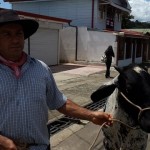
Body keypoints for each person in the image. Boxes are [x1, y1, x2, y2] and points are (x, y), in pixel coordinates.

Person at [0, 9, 113, 150]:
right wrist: (3, 142)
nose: (15, 40)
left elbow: (60, 102)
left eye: (19, 33)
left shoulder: (40, 69)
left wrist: (91, 115)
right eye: (7, 34)